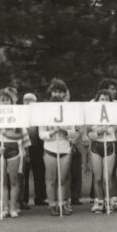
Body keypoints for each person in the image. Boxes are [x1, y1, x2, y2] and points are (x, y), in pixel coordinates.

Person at [39, 79, 79, 216]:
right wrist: (52, 132)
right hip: (50, 148)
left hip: (65, 148)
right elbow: (41, 134)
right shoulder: (44, 112)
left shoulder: (69, 111)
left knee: (63, 178)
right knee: (51, 179)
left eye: (60, 92)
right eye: (55, 92)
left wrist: (65, 131)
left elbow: (74, 132)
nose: (57, 94)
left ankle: (63, 203)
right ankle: (52, 204)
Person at [0, 89, 29, 218]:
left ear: (10, 102)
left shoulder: (17, 115)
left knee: (14, 180)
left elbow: (22, 134)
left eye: (7, 100)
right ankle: (5, 207)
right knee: (3, 181)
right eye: (2, 100)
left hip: (13, 149)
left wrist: (8, 134)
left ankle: (13, 207)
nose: (5, 102)